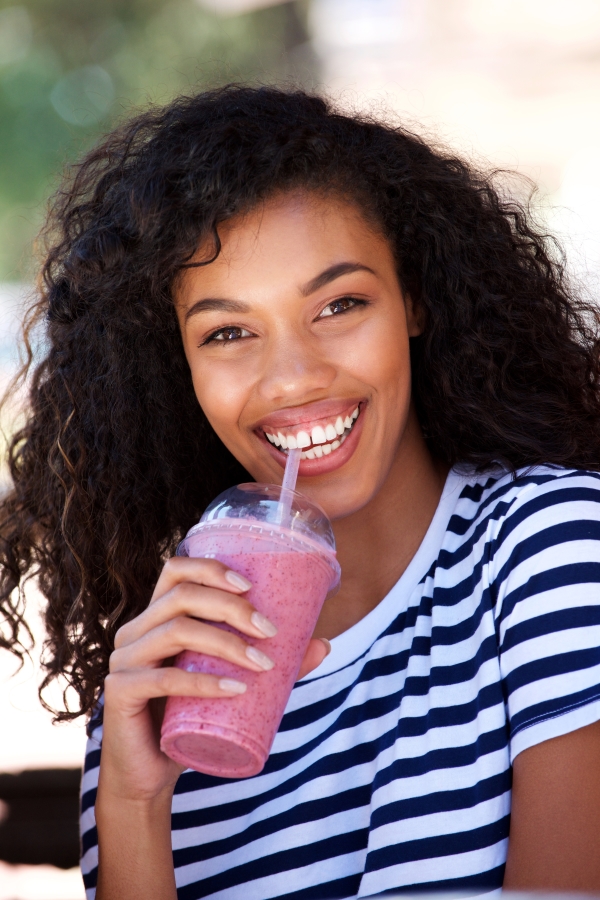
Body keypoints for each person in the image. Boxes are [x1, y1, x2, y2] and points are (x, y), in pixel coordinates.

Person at [2, 85, 600, 900]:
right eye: (227, 332)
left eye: (340, 304)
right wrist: (135, 805)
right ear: (177, 366)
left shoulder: (551, 549)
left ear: (415, 300)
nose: (291, 378)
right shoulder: (171, 674)